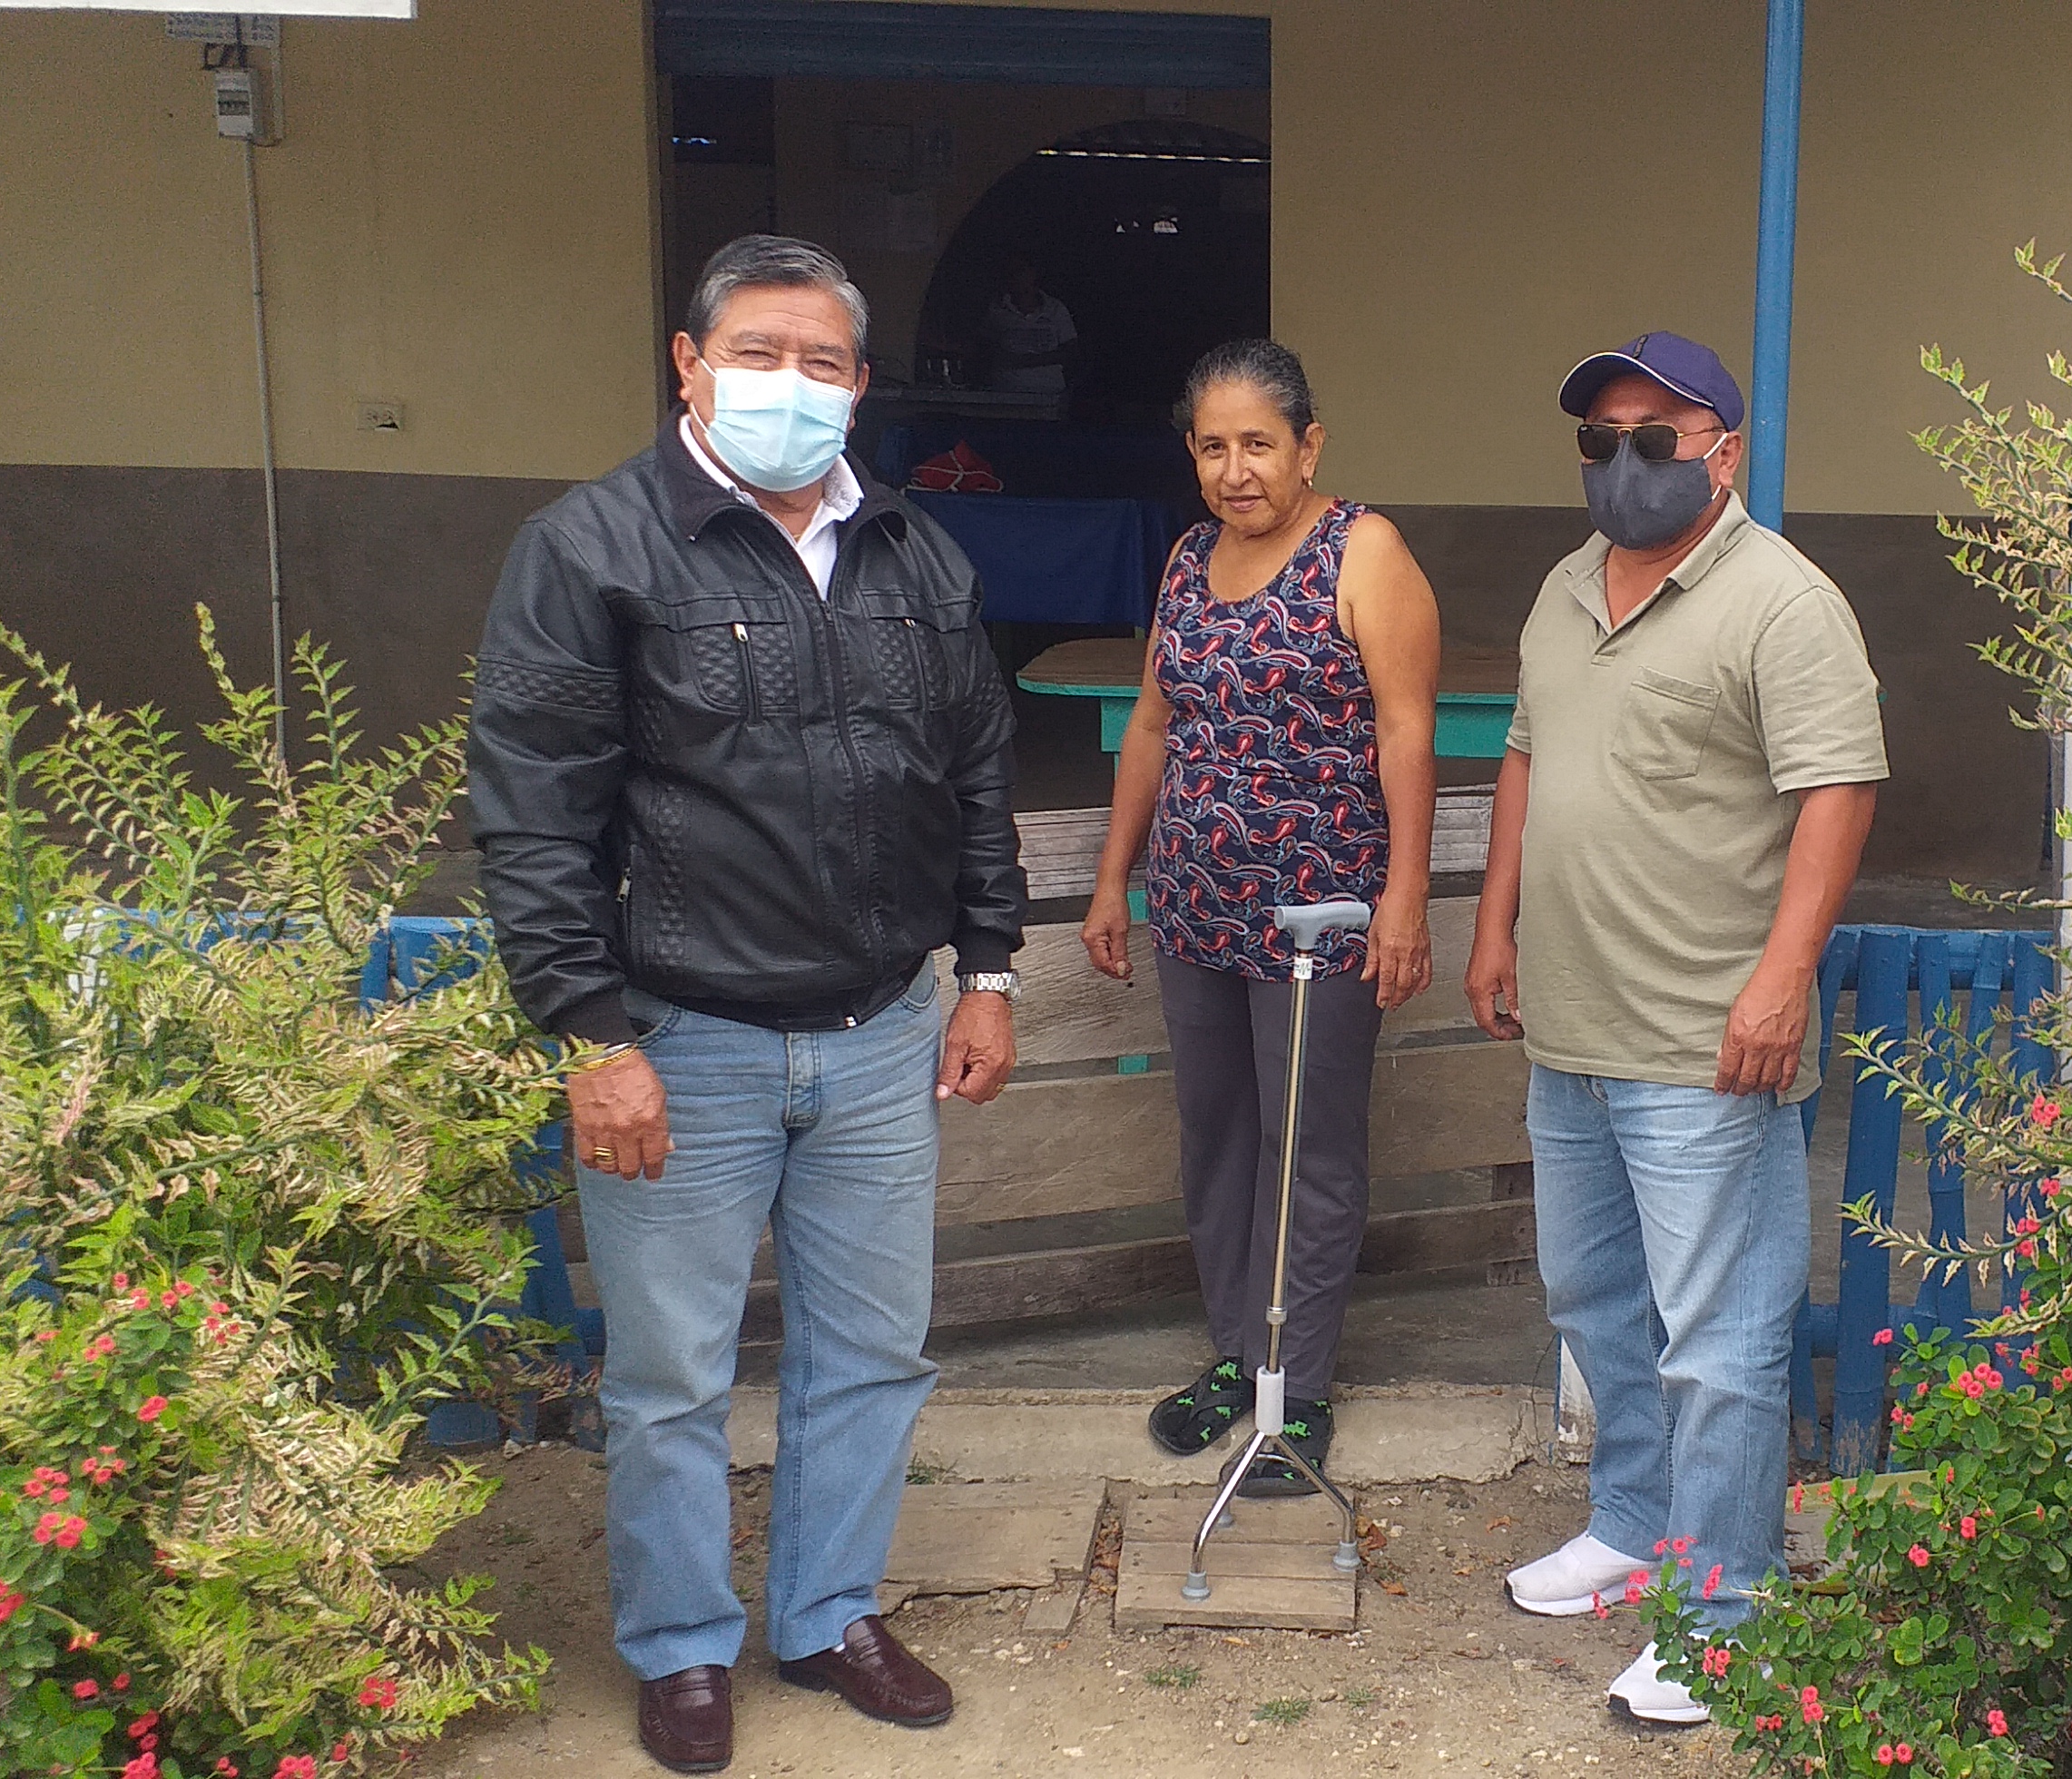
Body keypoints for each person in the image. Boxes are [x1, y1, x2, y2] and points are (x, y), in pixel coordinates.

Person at [469, 232, 1023, 1774]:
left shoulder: (916, 555)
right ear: (689, 363)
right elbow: (533, 815)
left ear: (861, 382)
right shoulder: (592, 548)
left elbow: (977, 777)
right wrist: (590, 1034)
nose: (792, 383)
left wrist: (985, 973)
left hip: (879, 1033)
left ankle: (828, 1613)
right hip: (679, 1041)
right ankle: (680, 1646)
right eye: (758, 353)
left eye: (822, 361)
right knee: (668, 1381)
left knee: (872, 1355)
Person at [1465, 331, 1885, 1728]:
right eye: (1602, 440)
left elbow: (1837, 791)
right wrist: (1493, 925)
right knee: (1592, 1300)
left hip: (1709, 1040)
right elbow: (1525, 755)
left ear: (1724, 452)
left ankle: (1726, 1616)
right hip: (1572, 1025)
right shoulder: (1565, 586)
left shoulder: (1783, 602)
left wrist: (1781, 980)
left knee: (1719, 1339)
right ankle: (1636, 1527)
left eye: (1656, 438)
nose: (1624, 463)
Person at [1081, 339, 1442, 1491]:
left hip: (1320, 917)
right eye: (1212, 447)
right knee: (1218, 1137)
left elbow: (1407, 731)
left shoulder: (1364, 551)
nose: (1236, 470)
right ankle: (1240, 1357)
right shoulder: (1188, 558)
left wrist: (1403, 899)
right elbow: (1153, 724)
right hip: (1195, 908)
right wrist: (1114, 877)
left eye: (1258, 444)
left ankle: (1302, 1383)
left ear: (1308, 445)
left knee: (1309, 1147)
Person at [979, 256, 1078, 398]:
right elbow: (986, 349)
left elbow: (1071, 350)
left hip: (1050, 395)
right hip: (1004, 394)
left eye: (1020, 270)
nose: (1015, 276)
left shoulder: (1056, 309)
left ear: (1033, 273)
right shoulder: (996, 310)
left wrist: (1026, 360)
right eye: (1010, 272)